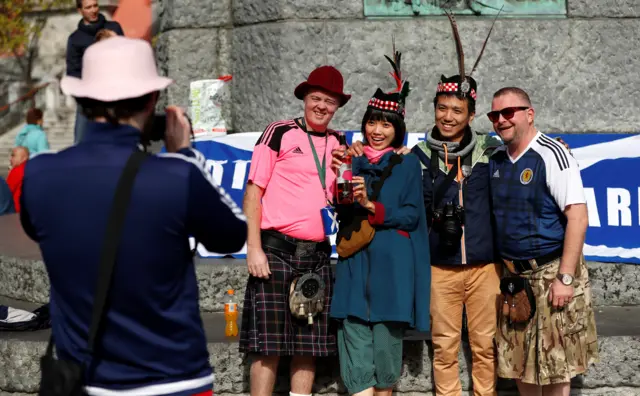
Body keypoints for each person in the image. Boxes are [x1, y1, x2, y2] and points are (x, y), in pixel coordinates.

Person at [21, 36, 247, 395]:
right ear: (152, 99)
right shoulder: (177, 176)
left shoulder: (39, 175)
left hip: (87, 380)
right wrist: (186, 155)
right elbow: (234, 234)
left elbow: (37, 229)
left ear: (81, 99)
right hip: (176, 379)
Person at [239, 65, 351, 396]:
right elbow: (253, 193)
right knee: (268, 345)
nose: (322, 106)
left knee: (308, 346)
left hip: (316, 255)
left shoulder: (340, 142)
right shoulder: (279, 131)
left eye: (330, 101)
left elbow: (340, 200)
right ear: (304, 99)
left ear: (337, 106)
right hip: (275, 251)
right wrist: (254, 247)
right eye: (316, 98)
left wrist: (344, 173)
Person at [330, 47, 431, 396]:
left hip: (392, 274)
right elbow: (338, 207)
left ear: (397, 128)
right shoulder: (350, 159)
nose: (377, 130)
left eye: (386, 124)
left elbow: (412, 214)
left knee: (386, 373)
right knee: (357, 369)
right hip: (355, 270)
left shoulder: (407, 164)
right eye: (372, 122)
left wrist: (372, 205)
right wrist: (340, 178)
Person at [488, 87, 598, 396]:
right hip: (514, 278)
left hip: (551, 274)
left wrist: (565, 277)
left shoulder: (552, 153)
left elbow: (577, 217)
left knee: (555, 366)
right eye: (494, 115)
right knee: (519, 362)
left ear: (529, 114)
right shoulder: (495, 158)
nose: (501, 120)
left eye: (508, 112)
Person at [66, 0, 124, 143]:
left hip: (115, 94)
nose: (93, 10)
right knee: (80, 141)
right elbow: (73, 72)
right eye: (88, 7)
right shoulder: (75, 39)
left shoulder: (114, 28)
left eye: (95, 5)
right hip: (88, 98)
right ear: (80, 11)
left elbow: (126, 55)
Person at [7, 146, 29, 213]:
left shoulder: (17, 170)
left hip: (16, 211)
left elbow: (6, 192)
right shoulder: (31, 168)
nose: (10, 159)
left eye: (14, 156)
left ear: (23, 158)